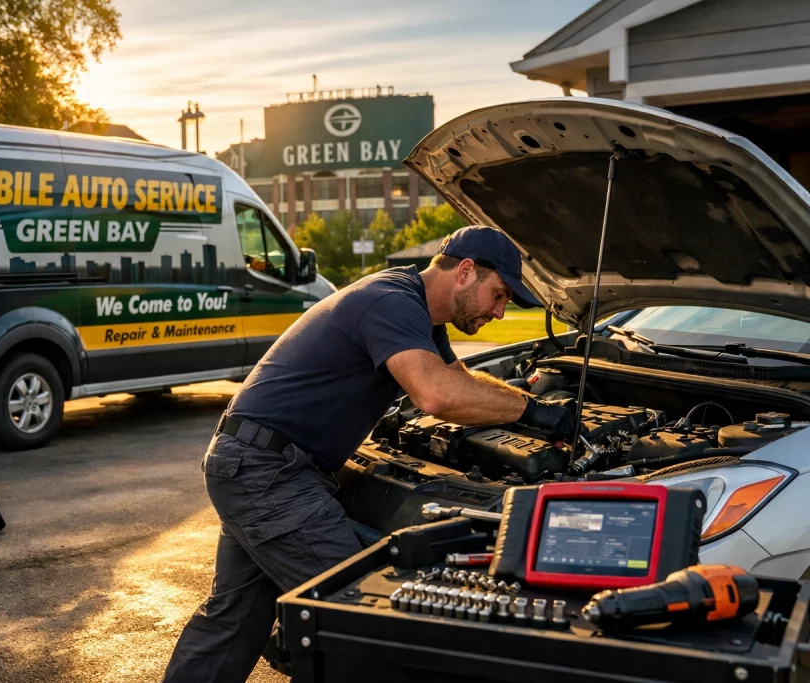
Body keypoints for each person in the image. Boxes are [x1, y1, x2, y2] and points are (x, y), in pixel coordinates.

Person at [162, 226, 578, 682]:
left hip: (254, 463)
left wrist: (531, 410)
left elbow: (461, 381)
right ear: (464, 272)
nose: (499, 312)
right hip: (268, 472)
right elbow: (435, 395)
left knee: (234, 618)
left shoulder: (417, 312)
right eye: (499, 295)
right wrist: (534, 411)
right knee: (358, 617)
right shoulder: (392, 302)